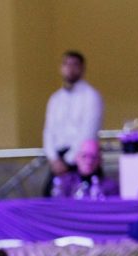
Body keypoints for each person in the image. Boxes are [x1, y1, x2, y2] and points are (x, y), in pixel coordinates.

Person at [43, 51, 104, 182]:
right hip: (58, 158)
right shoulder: (56, 98)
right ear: (61, 68)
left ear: (82, 68)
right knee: (48, 198)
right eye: (66, 64)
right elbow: (49, 130)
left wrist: (68, 160)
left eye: (75, 64)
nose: (70, 68)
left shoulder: (91, 96)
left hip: (83, 159)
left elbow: (89, 131)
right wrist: (53, 158)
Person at [51, 139, 118, 199]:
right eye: (84, 156)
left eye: (93, 157)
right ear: (76, 158)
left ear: (100, 160)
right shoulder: (65, 183)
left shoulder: (110, 187)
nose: (89, 161)